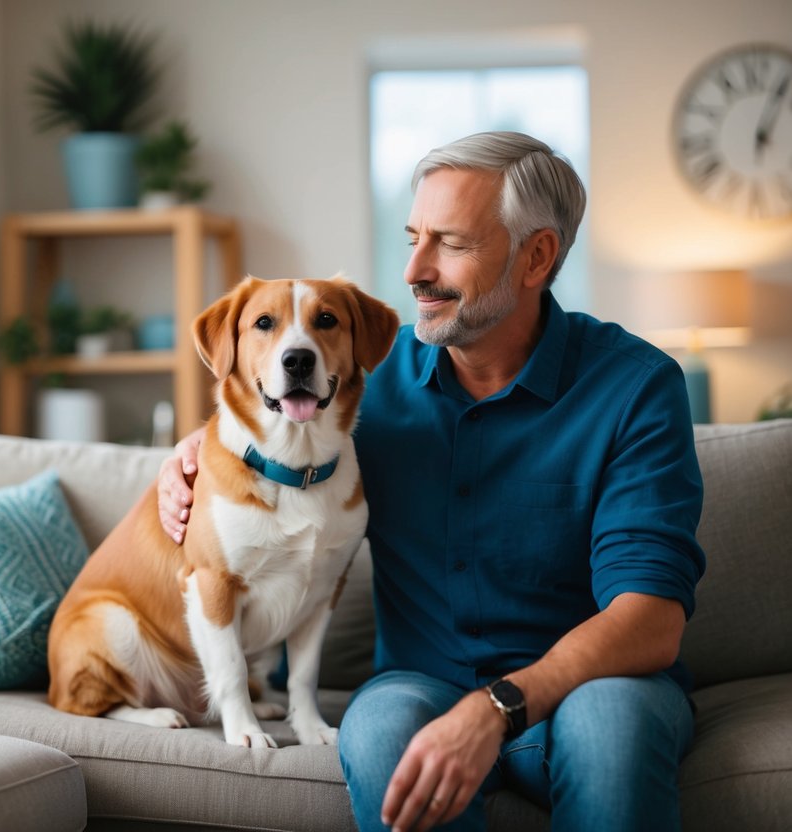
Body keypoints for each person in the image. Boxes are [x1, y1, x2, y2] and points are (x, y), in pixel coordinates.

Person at [157, 131, 705, 831]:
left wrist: (496, 705)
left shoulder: (635, 388)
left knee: (610, 727)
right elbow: (269, 431)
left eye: (449, 243)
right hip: (419, 685)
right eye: (413, 236)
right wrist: (193, 456)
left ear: (535, 256)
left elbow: (651, 621)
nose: (414, 269)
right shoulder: (364, 390)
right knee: (381, 728)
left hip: (595, 688)